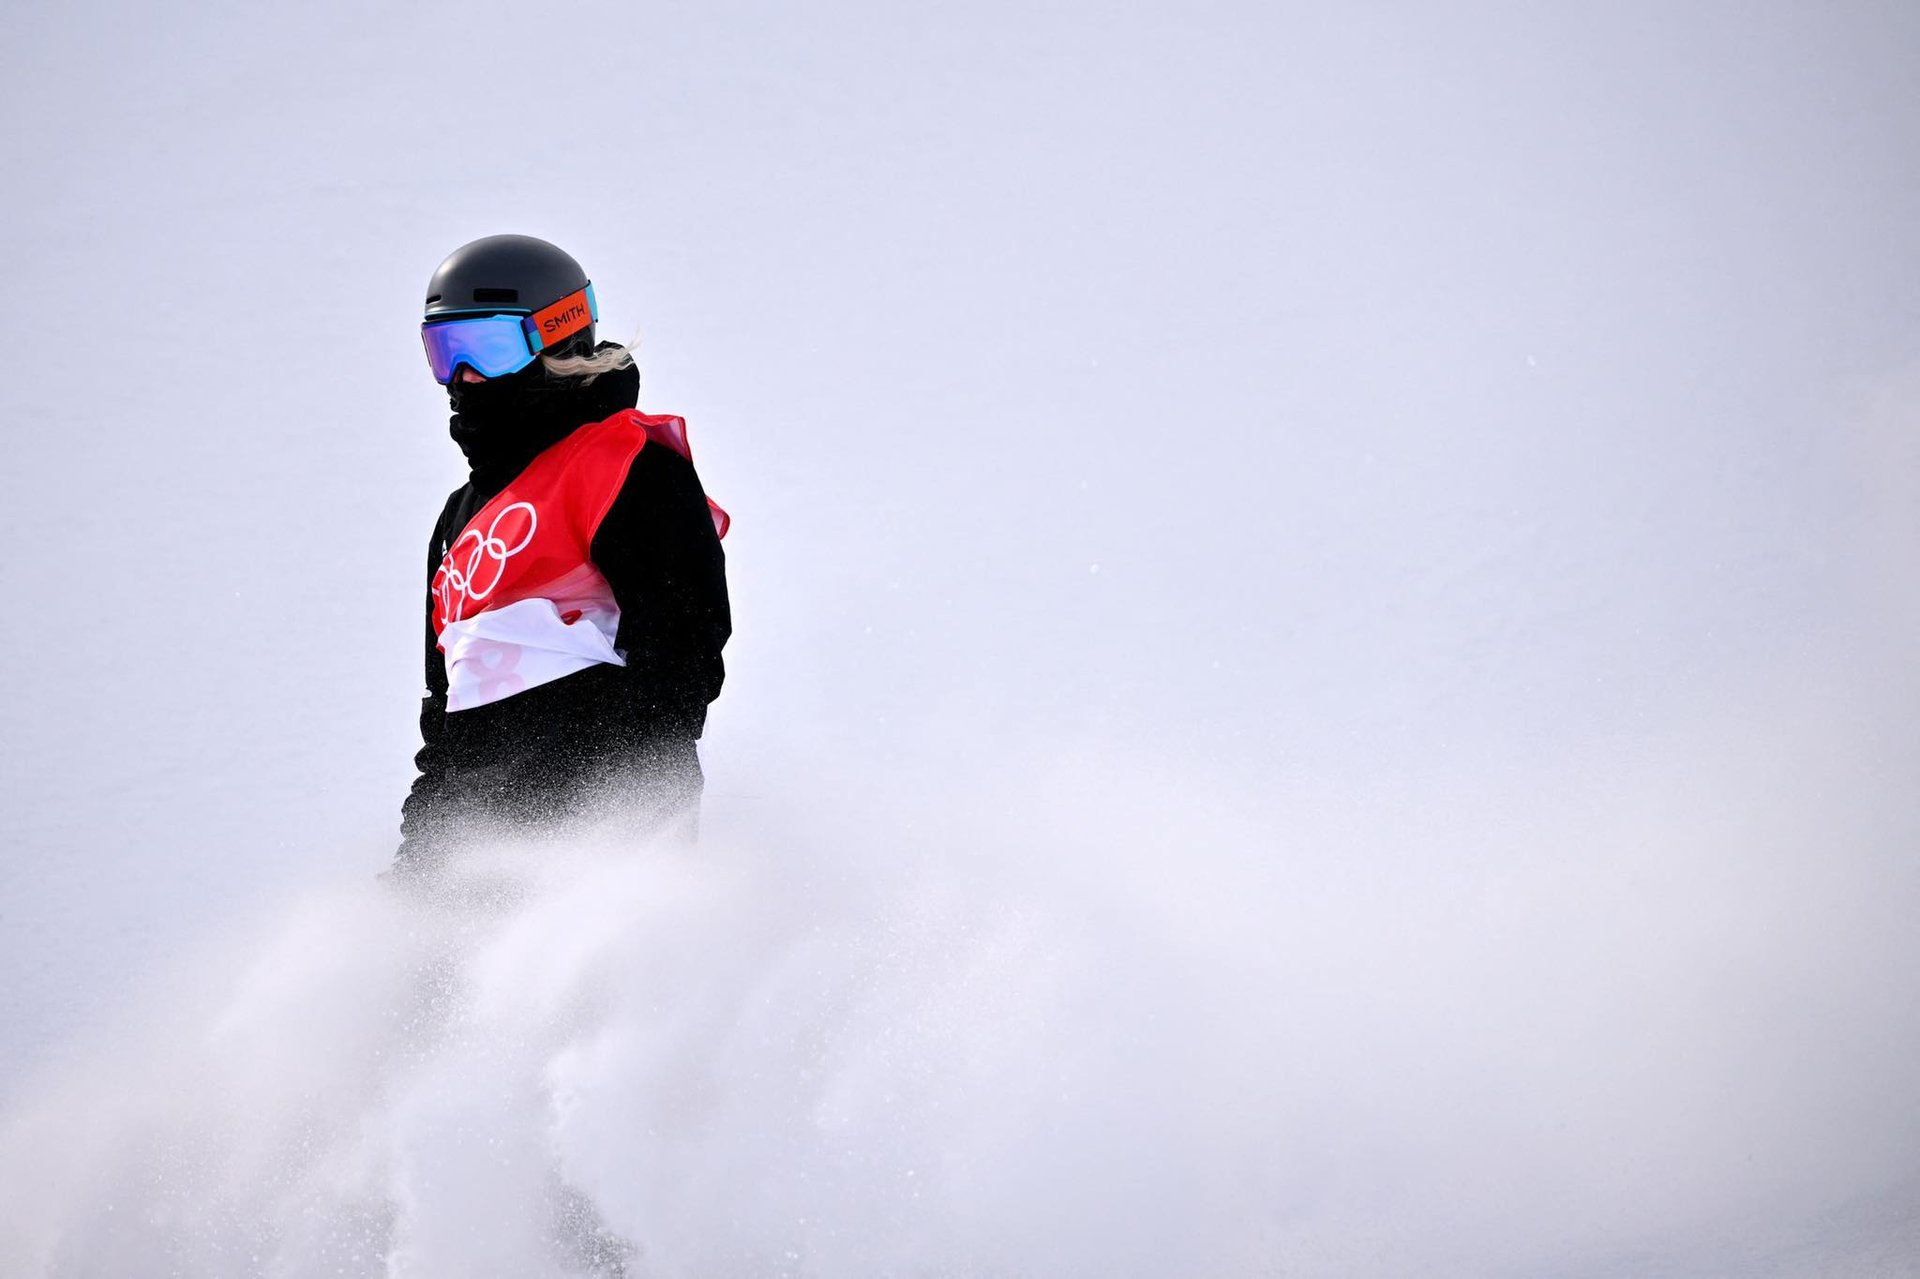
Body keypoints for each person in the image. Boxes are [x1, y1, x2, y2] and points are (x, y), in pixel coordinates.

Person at [393, 234, 730, 876]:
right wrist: (419, 868)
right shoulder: (457, 522)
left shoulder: (626, 465)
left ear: (556, 338)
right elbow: (444, 720)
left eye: (487, 347)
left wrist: (609, 808)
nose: (464, 376)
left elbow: (683, 653)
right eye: (445, 350)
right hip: (474, 840)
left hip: (595, 820)